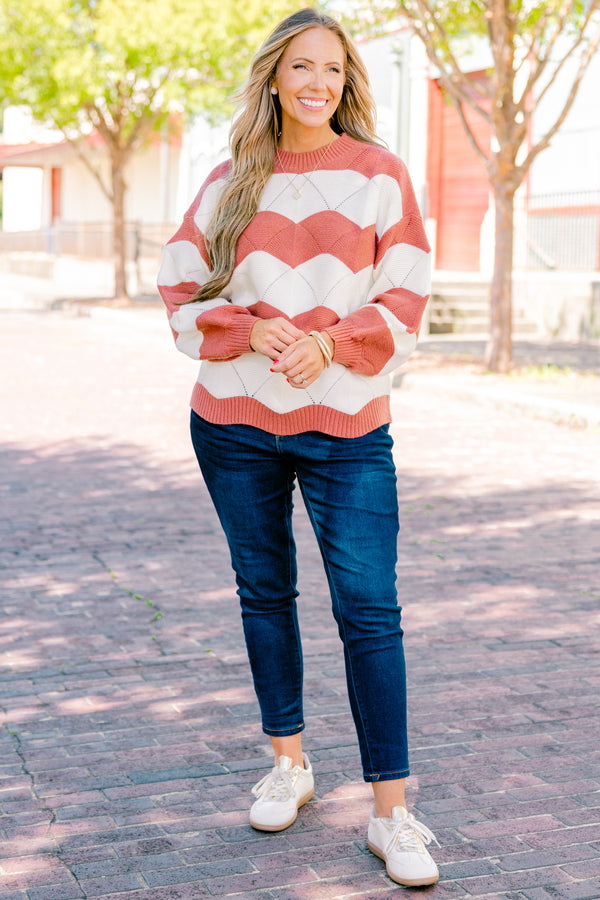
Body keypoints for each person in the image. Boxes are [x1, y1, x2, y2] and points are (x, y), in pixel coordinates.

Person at [158, 7, 439, 888]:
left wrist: (333, 341)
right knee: (264, 592)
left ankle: (392, 814)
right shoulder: (230, 179)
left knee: (370, 610)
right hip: (234, 424)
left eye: (333, 70)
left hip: (347, 429)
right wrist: (248, 330)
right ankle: (290, 762)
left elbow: (407, 292)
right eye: (301, 67)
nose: (318, 83)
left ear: (347, 83)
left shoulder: (379, 176)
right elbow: (176, 290)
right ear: (275, 77)